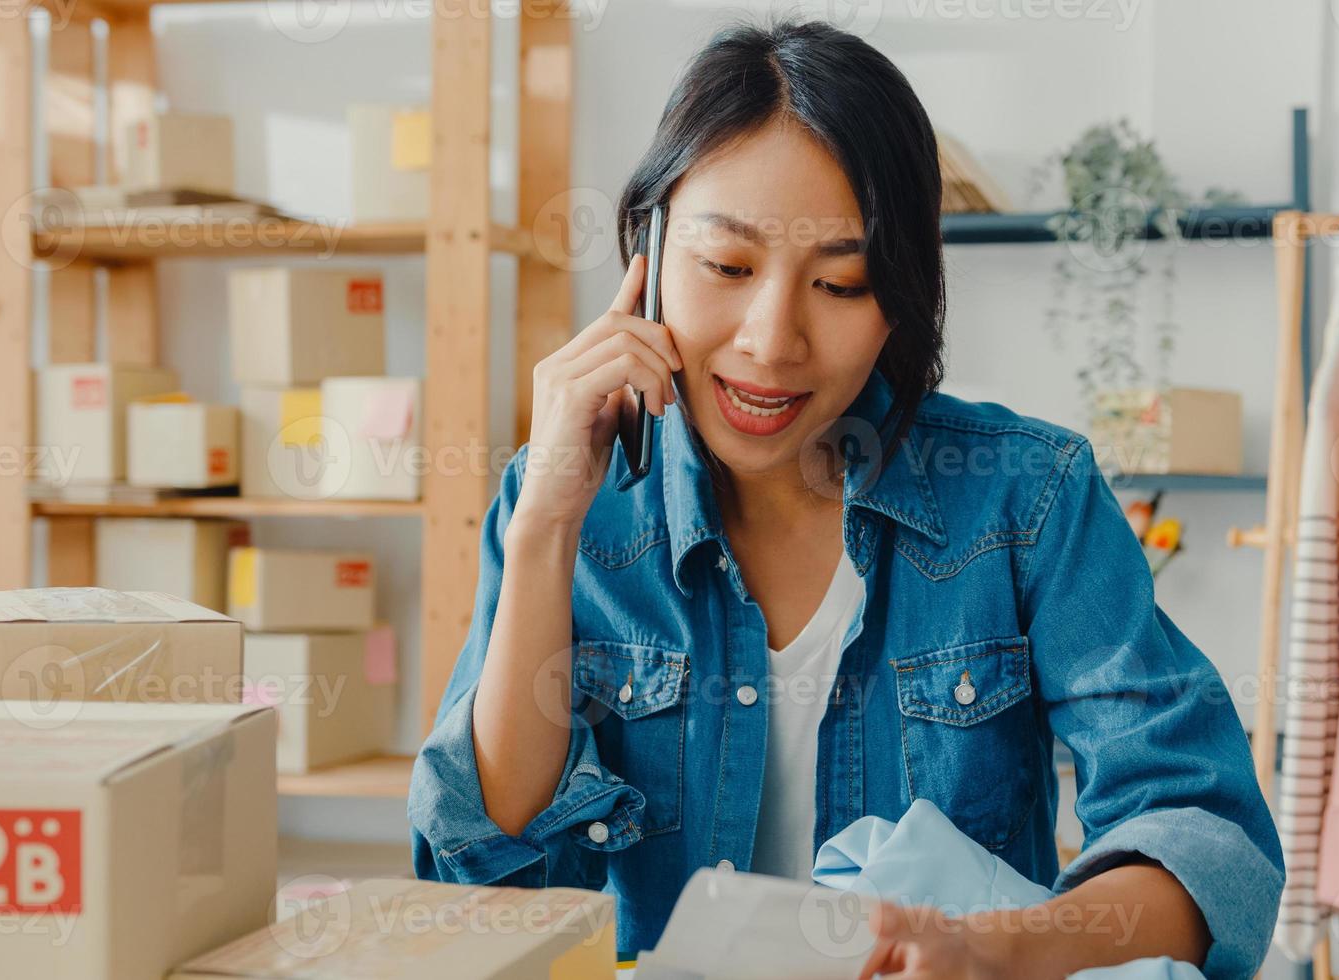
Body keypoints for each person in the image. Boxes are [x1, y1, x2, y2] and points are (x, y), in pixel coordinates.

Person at [409, 18, 1282, 979]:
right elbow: (477, 872)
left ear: (902, 295)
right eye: (728, 268)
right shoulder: (569, 505)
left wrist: (996, 948)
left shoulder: (1026, 500)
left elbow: (1211, 844)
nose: (772, 340)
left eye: (840, 281)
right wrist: (544, 525)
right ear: (650, 248)